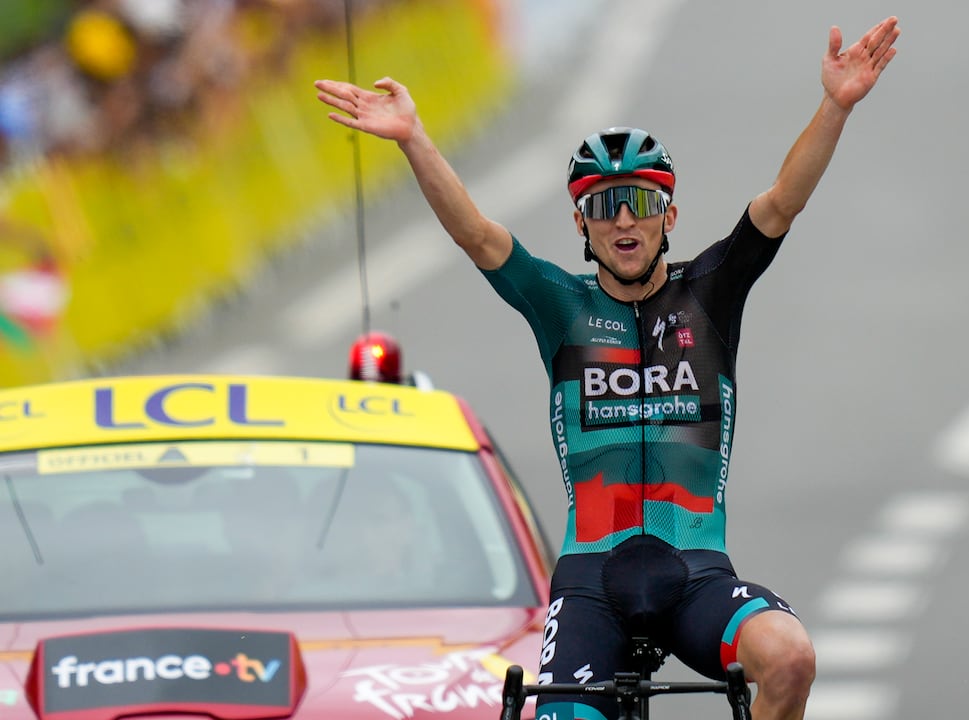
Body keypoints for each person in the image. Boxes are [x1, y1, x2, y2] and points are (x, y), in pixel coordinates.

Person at [316, 16, 900, 720]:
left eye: (642, 203)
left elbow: (782, 202)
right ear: (581, 225)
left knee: (791, 657)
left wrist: (835, 106)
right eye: (603, 206)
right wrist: (413, 138)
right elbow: (476, 233)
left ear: (670, 214)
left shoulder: (710, 294)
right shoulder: (560, 308)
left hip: (696, 574)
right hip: (592, 578)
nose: (624, 221)